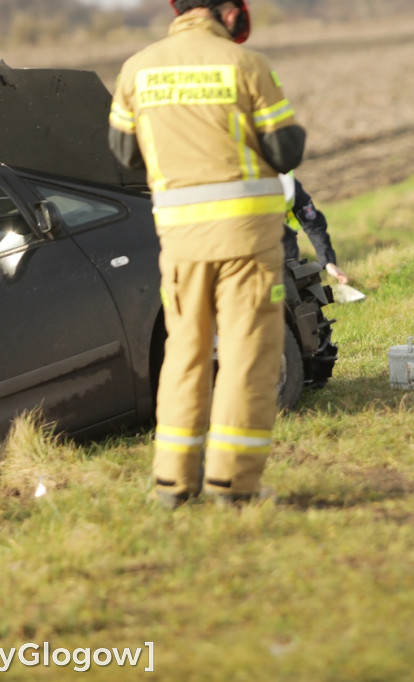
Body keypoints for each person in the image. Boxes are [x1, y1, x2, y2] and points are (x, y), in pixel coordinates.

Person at [107, 0, 306, 508]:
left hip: (180, 244)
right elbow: (286, 152)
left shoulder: (136, 70)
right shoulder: (247, 66)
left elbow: (125, 154)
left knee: (185, 354)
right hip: (246, 243)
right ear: (230, 13)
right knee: (246, 356)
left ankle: (172, 482)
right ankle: (233, 484)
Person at [280, 172, 350, 285]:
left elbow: (314, 225)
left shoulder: (290, 186)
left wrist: (328, 262)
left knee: (290, 276)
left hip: (285, 236)